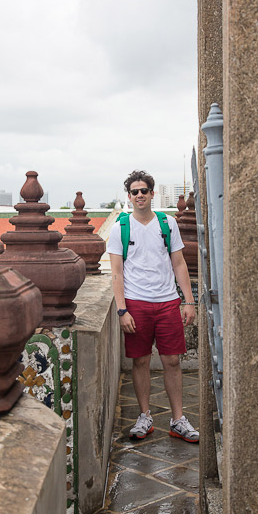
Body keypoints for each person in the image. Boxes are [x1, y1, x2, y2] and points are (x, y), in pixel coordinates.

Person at [106, 171, 199, 442]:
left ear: (152, 193)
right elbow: (116, 273)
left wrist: (188, 300)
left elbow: (179, 263)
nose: (139, 196)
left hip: (168, 301)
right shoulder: (119, 228)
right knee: (141, 361)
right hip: (136, 303)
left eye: (144, 191)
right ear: (129, 197)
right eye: (134, 192)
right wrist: (122, 310)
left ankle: (178, 419)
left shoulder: (167, 224)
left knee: (172, 360)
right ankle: (145, 417)